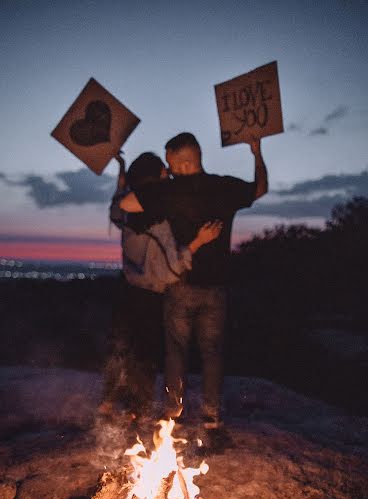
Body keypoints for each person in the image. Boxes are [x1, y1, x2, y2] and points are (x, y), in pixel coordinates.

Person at [120, 132, 268, 428]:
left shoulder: (170, 191)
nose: (170, 170)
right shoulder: (224, 187)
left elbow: (127, 204)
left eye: (172, 164)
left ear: (185, 162)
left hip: (182, 285)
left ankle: (173, 412)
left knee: (176, 350)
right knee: (212, 352)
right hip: (217, 287)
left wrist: (160, 189)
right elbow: (260, 188)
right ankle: (211, 415)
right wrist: (256, 151)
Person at [102, 150, 221, 420]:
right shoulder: (159, 222)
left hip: (126, 290)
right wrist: (199, 241)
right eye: (164, 172)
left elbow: (114, 208)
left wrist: (121, 173)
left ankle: (107, 404)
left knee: (121, 346)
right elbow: (170, 270)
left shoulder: (127, 213)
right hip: (150, 296)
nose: (168, 174)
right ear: (155, 179)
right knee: (144, 355)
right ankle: (137, 412)